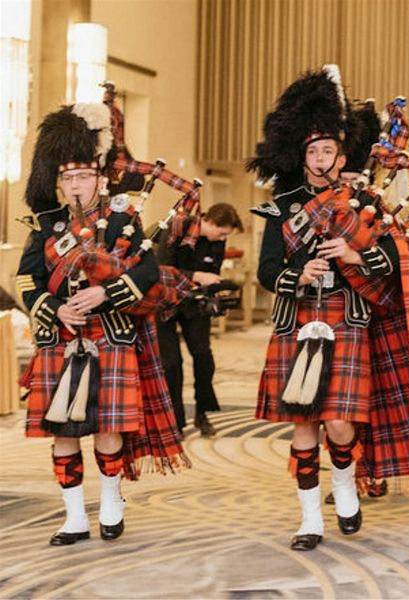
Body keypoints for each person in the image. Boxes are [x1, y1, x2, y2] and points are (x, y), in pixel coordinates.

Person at [247, 67, 409, 552]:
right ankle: (309, 519)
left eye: (328, 150)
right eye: (312, 151)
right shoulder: (280, 208)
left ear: (341, 155)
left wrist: (355, 256)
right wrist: (295, 276)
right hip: (299, 321)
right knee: (304, 423)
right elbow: (266, 270)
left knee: (342, 423)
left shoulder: (365, 201)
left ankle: (345, 484)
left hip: (347, 322)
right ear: (300, 157)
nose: (321, 158)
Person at [17, 102, 188, 546]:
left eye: (83, 177)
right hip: (62, 337)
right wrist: (55, 308)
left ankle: (111, 502)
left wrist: (103, 294)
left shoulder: (121, 219)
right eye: (67, 178)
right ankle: (74, 518)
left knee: (108, 427)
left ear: (99, 177)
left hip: (110, 333)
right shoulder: (47, 224)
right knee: (63, 430)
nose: (75, 186)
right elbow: (27, 278)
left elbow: (148, 271)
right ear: (60, 181)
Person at [156, 203, 243, 437]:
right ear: (210, 222)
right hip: (165, 301)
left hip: (195, 304)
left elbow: (212, 268)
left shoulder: (217, 241)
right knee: (171, 363)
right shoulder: (177, 230)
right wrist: (197, 276)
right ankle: (175, 420)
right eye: (222, 233)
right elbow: (161, 268)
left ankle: (202, 412)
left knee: (203, 357)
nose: (223, 239)